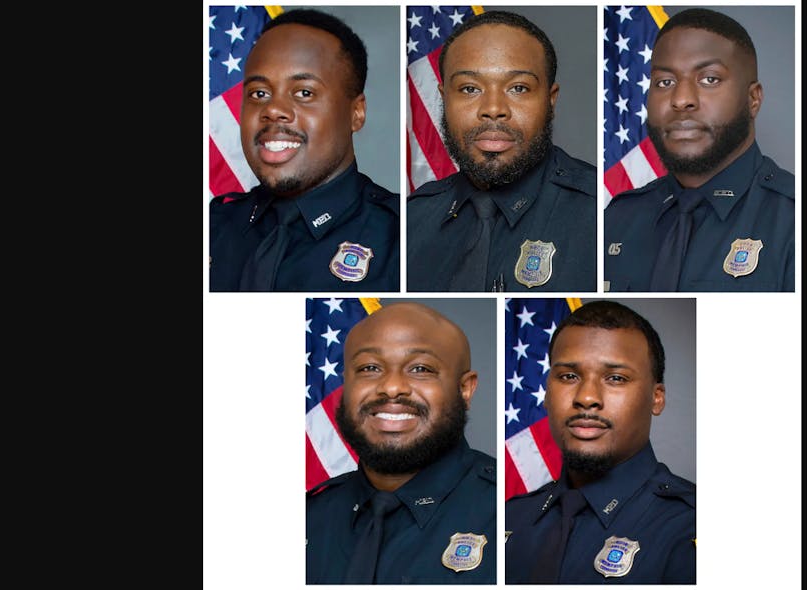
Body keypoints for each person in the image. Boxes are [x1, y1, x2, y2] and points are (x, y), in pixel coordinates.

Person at [604, 7, 794, 292]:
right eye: (665, 82)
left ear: (753, 99)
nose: (681, 99)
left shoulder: (792, 220)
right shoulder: (617, 218)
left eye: (709, 79)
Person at [505, 300, 695, 584]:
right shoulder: (508, 518)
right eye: (569, 376)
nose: (587, 397)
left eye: (616, 378)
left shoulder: (691, 526)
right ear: (546, 393)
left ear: (657, 398)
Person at [407, 10, 596, 292]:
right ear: (444, 98)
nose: (493, 109)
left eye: (518, 88)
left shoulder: (600, 213)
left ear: (550, 99)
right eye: (469, 88)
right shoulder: (412, 218)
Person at [306, 302, 496, 584]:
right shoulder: (309, 514)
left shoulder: (506, 511)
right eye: (369, 367)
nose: (392, 387)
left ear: (465, 389)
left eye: (420, 368)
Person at [210, 9, 399, 291]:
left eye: (304, 93)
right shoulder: (213, 225)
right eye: (259, 94)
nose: (272, 109)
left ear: (356, 113)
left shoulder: (403, 237)